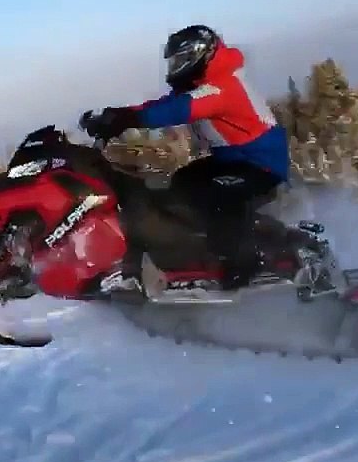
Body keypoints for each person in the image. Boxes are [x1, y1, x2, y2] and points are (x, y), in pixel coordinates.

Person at [80, 24, 290, 290]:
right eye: (174, 61)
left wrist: (126, 120)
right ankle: (192, 255)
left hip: (260, 165)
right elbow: (161, 105)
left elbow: (177, 110)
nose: (176, 66)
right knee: (177, 187)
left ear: (199, 55)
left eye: (180, 60)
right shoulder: (203, 84)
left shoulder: (221, 85)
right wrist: (113, 115)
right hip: (233, 160)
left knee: (218, 195)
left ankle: (244, 266)